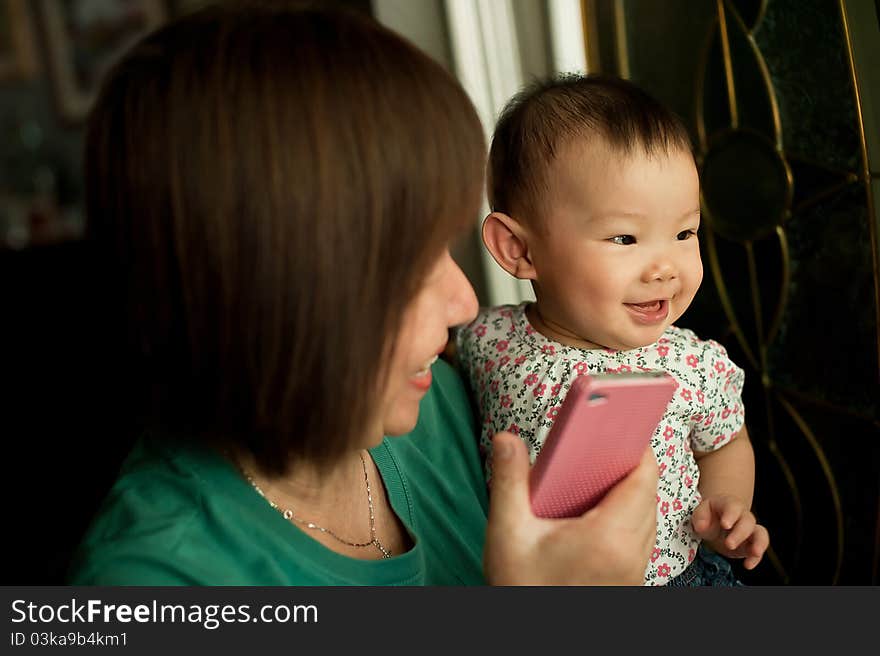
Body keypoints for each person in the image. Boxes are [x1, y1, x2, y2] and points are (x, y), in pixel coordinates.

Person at [66, 3, 660, 586]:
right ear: (279, 285)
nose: (464, 304)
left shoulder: (441, 400)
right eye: (408, 269)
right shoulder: (155, 583)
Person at [456, 74, 770, 586]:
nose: (665, 267)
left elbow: (726, 442)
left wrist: (726, 507)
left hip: (681, 582)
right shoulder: (487, 339)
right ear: (520, 249)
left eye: (684, 232)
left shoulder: (693, 365)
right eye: (625, 237)